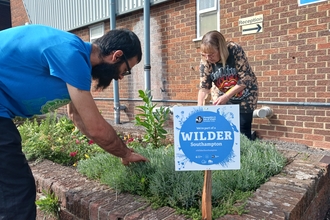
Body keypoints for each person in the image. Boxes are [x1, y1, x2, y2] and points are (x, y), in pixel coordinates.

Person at [0, 24, 148, 219]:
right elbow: (96, 128)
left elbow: (77, 118)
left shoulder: (77, 63)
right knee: (17, 191)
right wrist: (126, 153)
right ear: (116, 56)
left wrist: (121, 152)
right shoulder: (70, 53)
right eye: (126, 69)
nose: (121, 76)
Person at [197, 30, 258, 140]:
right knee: (223, 131)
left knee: (243, 133)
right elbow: (204, 87)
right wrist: (199, 110)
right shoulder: (205, 61)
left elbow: (245, 79)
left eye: (211, 55)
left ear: (220, 49)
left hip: (245, 96)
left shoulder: (234, 50)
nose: (207, 58)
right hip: (222, 96)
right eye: (204, 55)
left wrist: (226, 96)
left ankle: (245, 156)